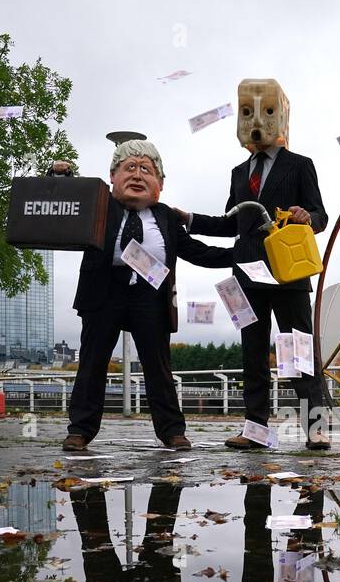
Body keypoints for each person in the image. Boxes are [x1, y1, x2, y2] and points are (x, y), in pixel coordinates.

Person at [179, 79, 330, 451]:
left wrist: (305, 216)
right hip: (246, 274)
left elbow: (322, 215)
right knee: (252, 351)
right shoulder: (237, 172)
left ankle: (316, 428)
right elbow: (232, 222)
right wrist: (190, 219)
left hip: (288, 272)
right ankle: (255, 430)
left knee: (297, 348)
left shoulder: (301, 165)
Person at [60, 140, 234, 453]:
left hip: (150, 296)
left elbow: (198, 251)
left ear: (160, 185)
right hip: (103, 292)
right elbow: (67, 205)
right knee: (92, 363)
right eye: (129, 168)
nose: (137, 175)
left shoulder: (166, 217)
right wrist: (60, 177)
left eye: (146, 170)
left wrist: (242, 254)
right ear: (112, 176)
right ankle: (80, 431)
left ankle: (172, 432)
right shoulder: (100, 206)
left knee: (158, 367)